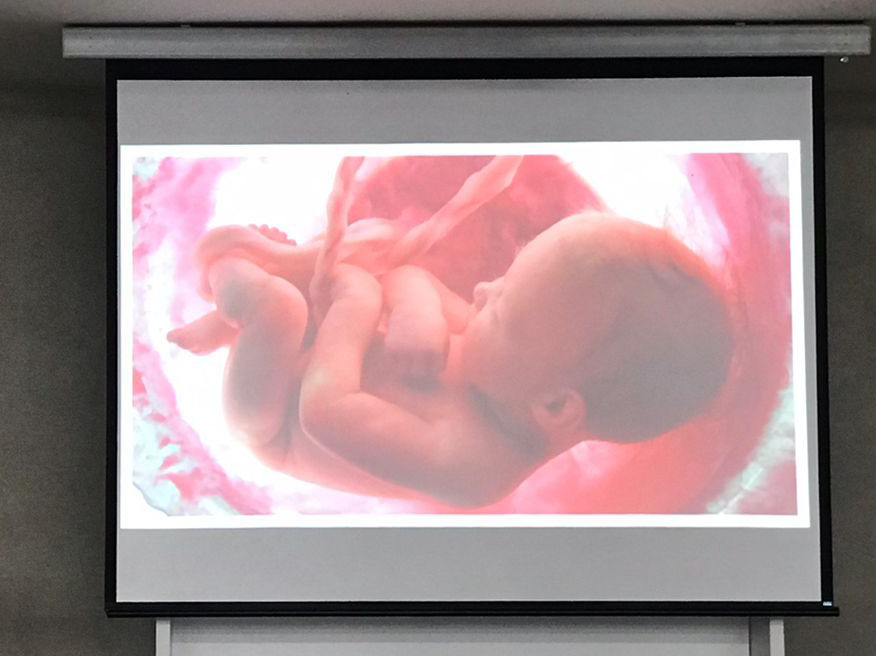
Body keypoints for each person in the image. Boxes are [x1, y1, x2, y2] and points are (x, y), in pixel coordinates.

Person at [168, 161, 733, 509]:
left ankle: (230, 283)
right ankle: (249, 297)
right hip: (325, 341)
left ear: (555, 405)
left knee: (281, 311)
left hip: (274, 415)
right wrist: (415, 310)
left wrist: (355, 307)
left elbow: (323, 412)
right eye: (505, 279)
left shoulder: (474, 469)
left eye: (502, 307)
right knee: (376, 243)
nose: (482, 290)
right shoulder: (499, 362)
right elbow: (413, 279)